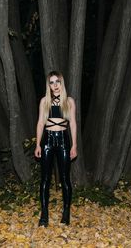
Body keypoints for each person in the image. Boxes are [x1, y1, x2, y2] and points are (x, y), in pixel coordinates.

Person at [34, 71, 78, 227]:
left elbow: (72, 123)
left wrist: (74, 145)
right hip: (47, 140)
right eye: (51, 82)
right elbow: (40, 123)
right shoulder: (44, 101)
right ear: (49, 85)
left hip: (63, 140)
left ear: (61, 83)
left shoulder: (69, 101)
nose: (55, 85)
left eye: (57, 81)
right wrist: (38, 144)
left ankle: (66, 213)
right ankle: (44, 214)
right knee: (45, 178)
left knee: (65, 177)